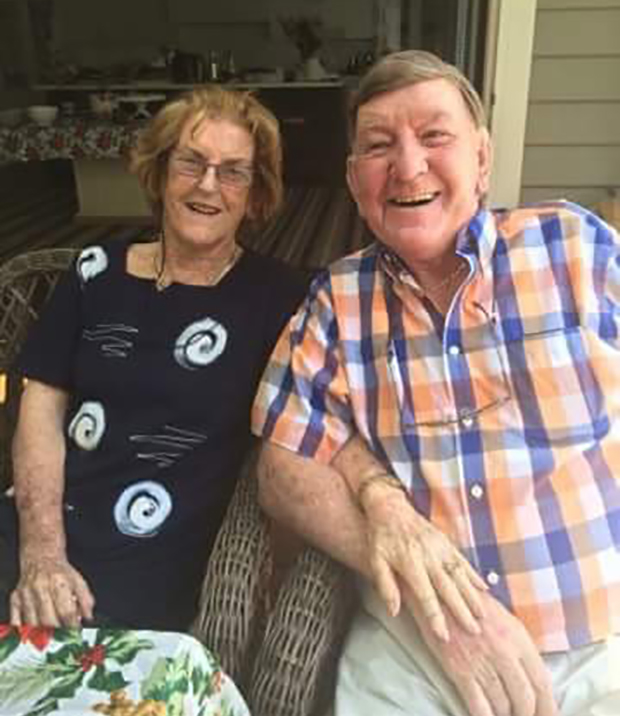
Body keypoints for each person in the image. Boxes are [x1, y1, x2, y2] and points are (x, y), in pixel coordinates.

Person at [252, 50, 620, 716]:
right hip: (415, 648)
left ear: (482, 159)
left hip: (601, 640)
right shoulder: (336, 300)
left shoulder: (573, 248)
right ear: (355, 182)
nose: (409, 165)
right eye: (379, 146)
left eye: (435, 136)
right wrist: (386, 510)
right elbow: (282, 464)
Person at [0, 85, 307, 631]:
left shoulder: (278, 298)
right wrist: (42, 551)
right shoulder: (94, 271)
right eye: (192, 162)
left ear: (255, 193)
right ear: (161, 171)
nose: (208, 185)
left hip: (149, 552)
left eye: (234, 171)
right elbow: (40, 402)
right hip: (42, 526)